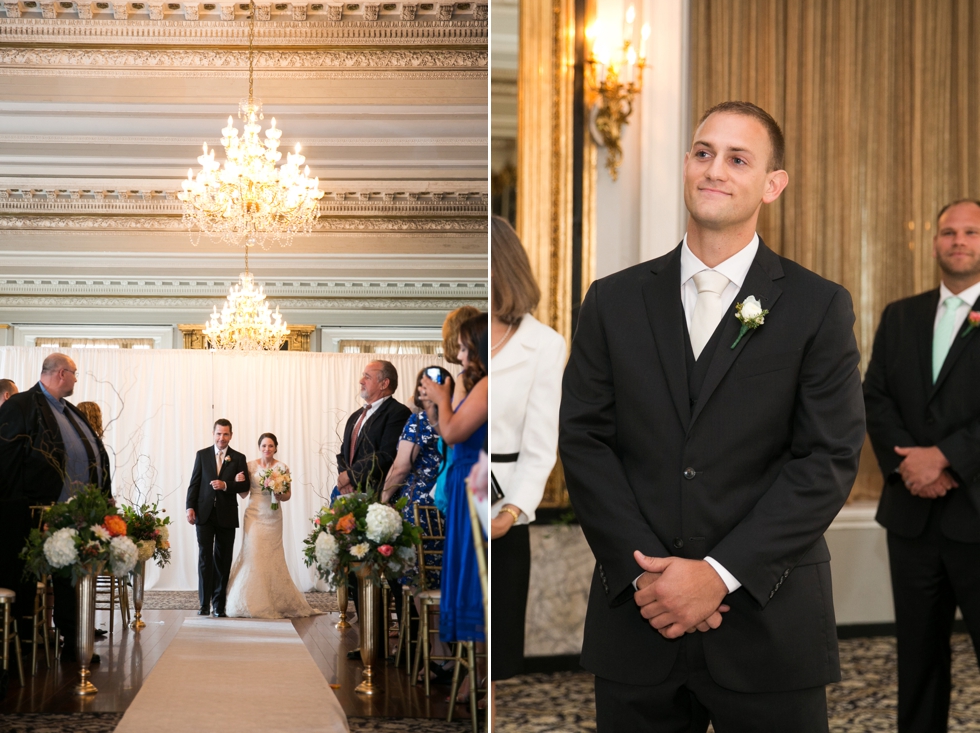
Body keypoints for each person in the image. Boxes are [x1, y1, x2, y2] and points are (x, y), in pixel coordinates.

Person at [559, 101, 866, 731]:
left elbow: (828, 459)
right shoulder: (612, 300)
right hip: (638, 613)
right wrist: (653, 576)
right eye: (703, 152)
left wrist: (719, 576)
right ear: (685, 166)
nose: (714, 169)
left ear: (772, 185)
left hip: (768, 622)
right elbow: (585, 440)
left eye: (737, 158)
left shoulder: (817, 306)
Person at [865, 198, 980, 733]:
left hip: (977, 516)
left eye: (971, 232)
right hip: (911, 520)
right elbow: (875, 399)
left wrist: (949, 458)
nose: (959, 240)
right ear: (934, 242)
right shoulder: (901, 315)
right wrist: (911, 465)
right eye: (949, 232)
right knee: (917, 661)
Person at [487, 215, 566, 715]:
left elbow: (542, 446)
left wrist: (511, 512)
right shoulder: (460, 334)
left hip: (503, 510)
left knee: (493, 654)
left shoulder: (545, 345)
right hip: (452, 496)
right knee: (454, 636)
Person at [0, 353, 112, 663]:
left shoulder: (70, 411)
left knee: (69, 579)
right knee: (28, 580)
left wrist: (103, 495)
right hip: (32, 516)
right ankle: (22, 647)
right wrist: (16, 507)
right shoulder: (21, 405)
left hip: (70, 515)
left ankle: (72, 641)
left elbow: (93, 453)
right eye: (74, 373)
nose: (77, 379)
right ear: (61, 373)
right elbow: (6, 463)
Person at [421, 314, 488, 689]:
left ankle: (480, 677)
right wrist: (438, 406)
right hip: (464, 484)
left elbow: (452, 431)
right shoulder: (474, 383)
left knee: (476, 582)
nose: (459, 357)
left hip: (472, 484)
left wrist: (443, 398)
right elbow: (448, 433)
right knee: (468, 578)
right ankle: (475, 675)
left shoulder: (486, 384)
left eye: (464, 348)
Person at [225, 433, 319, 619]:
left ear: (275, 447)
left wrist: (278, 494)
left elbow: (288, 495)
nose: (267, 449)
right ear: (259, 447)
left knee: (272, 556)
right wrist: (237, 481)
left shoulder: (282, 467)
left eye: (270, 446)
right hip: (253, 515)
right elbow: (244, 494)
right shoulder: (250, 466)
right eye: (263, 446)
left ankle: (272, 600)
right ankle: (247, 599)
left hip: (273, 516)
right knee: (253, 553)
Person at [186, 419, 249, 618]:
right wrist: (189, 507)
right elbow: (194, 483)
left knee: (223, 560)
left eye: (226, 434)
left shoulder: (239, 458)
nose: (222, 438)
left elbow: (245, 487)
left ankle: (219, 605)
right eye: (218, 434)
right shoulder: (202, 455)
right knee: (205, 558)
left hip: (227, 515)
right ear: (213, 434)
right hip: (203, 514)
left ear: (231, 435)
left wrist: (227, 485)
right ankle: (204, 604)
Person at [336, 360, 412, 497]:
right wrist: (346, 480)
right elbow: (343, 454)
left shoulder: (398, 413)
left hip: (378, 497)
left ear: (384, 383)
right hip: (349, 494)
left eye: (367, 377)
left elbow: (386, 455)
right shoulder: (355, 416)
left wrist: (351, 476)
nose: (361, 381)